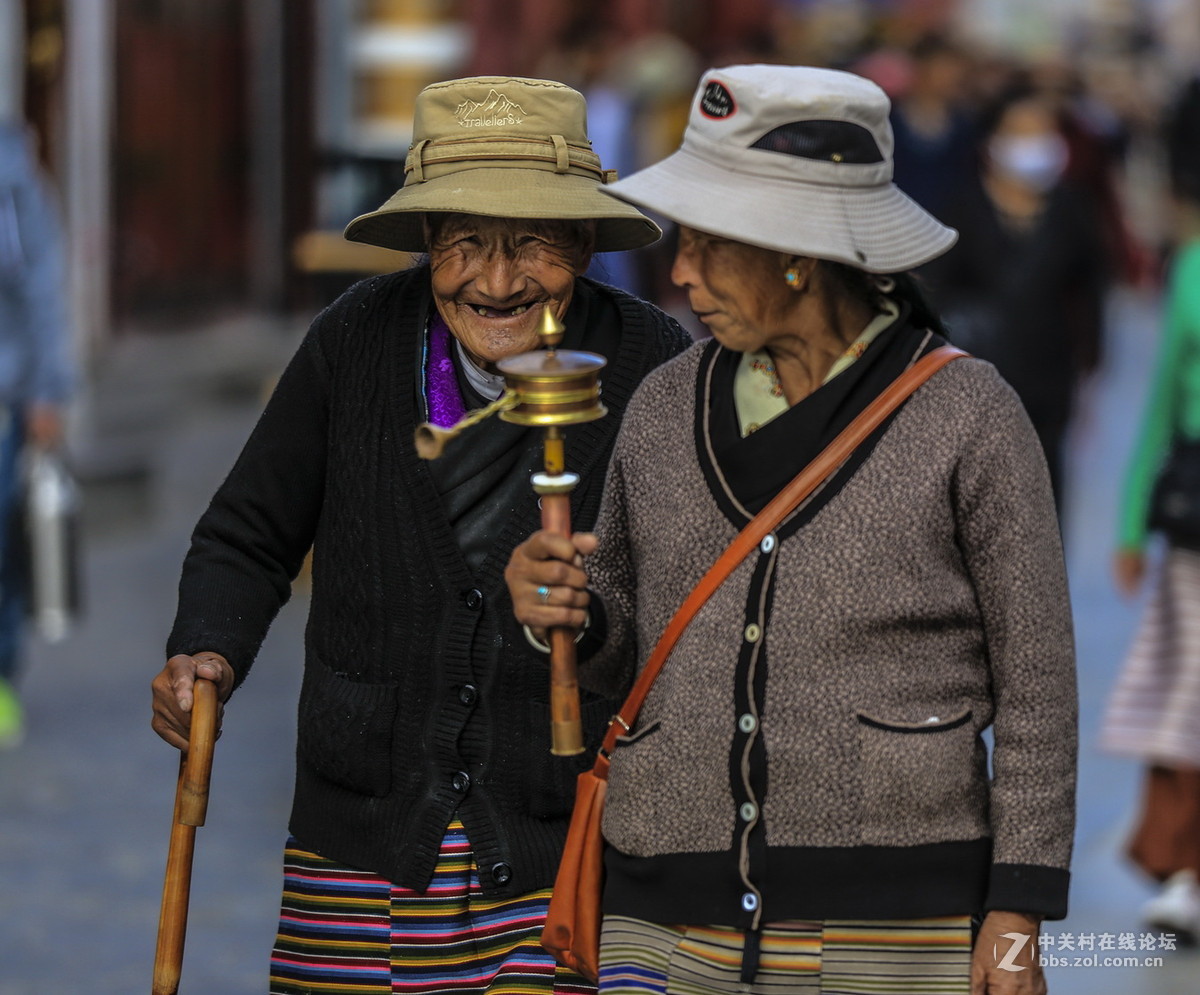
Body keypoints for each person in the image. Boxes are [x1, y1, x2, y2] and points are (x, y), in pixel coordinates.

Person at [507, 65, 1076, 995]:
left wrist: (1016, 915)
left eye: (707, 242)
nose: (679, 270)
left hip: (892, 931)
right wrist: (563, 611)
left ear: (796, 251)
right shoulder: (662, 405)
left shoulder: (970, 414)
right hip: (662, 925)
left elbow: (1040, 688)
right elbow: (610, 643)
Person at [149, 76, 692, 995]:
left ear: (588, 244)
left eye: (534, 243)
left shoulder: (657, 370)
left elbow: (695, 603)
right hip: (364, 834)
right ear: (427, 241)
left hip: (567, 839)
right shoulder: (354, 342)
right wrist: (205, 648)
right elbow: (248, 531)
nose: (497, 279)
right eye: (467, 242)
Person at [921, 83, 1108, 516]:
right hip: (974, 387)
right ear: (994, 143)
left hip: (1048, 385)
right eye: (1023, 132)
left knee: (1043, 507)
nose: (1037, 144)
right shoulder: (960, 208)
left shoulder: (1072, 208)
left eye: (1045, 132)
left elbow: (1091, 290)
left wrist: (1091, 368)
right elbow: (933, 295)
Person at [1102, 187, 1200, 940]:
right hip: (1195, 516)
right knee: (1187, 697)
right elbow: (1162, 399)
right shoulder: (1192, 270)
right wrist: (1132, 522)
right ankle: (1181, 866)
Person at [0, 120, 73, 748]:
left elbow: (43, 290)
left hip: (3, 400)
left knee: (3, 547)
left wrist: (47, 391)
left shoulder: (14, 176)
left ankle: (0, 678)